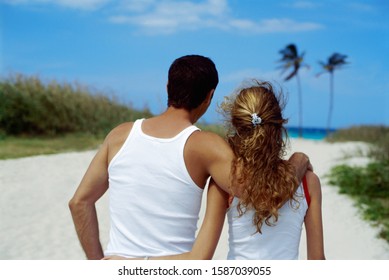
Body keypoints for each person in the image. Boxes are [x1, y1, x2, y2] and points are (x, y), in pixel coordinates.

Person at [69, 55, 311, 260]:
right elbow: (264, 196)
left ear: (167, 87)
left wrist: (99, 263)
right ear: (209, 96)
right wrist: (298, 160)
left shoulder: (119, 135)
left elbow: (79, 202)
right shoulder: (204, 145)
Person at [217, 80, 325, 260]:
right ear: (278, 126)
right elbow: (317, 259)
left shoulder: (226, 180)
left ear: (236, 127)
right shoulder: (308, 182)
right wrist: (301, 158)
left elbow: (204, 255)